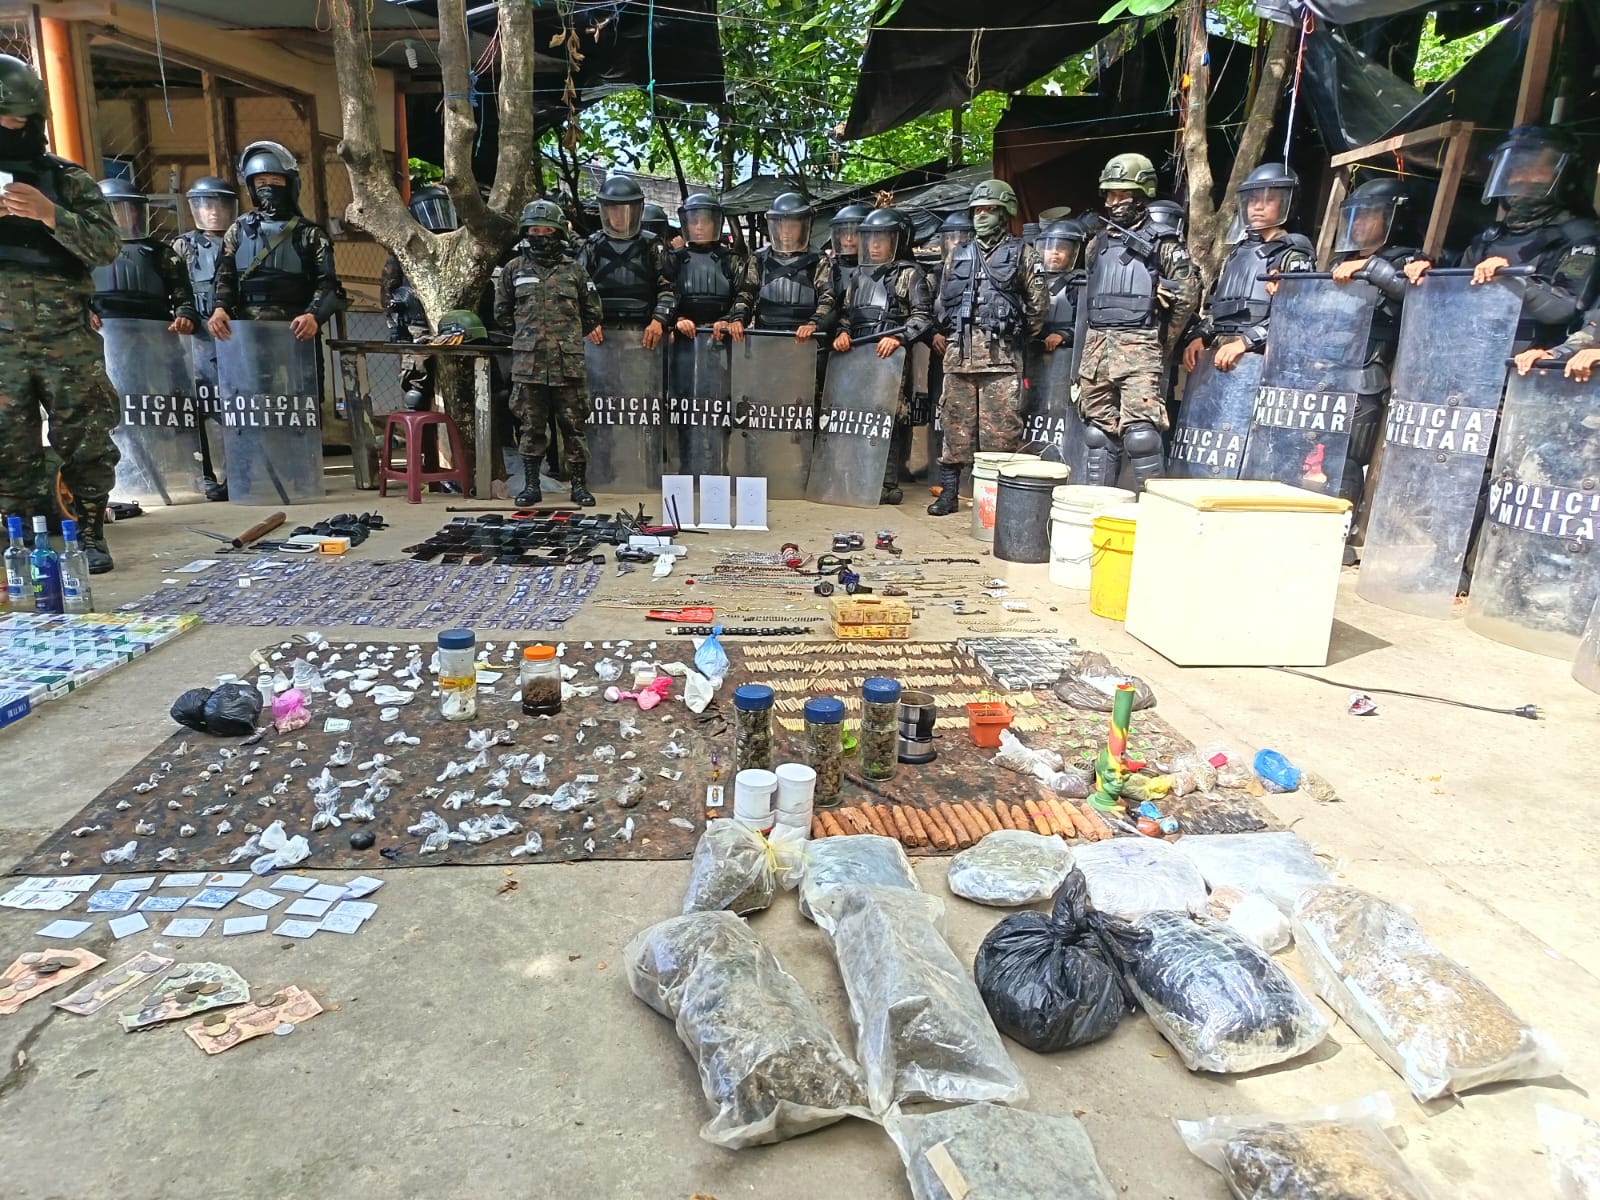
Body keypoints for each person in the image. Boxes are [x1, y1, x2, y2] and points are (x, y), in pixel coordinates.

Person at [0, 54, 121, 572]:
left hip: (65, 335)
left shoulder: (66, 180)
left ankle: (89, 533)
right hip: (2, 343)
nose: (9, 128)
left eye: (16, 119)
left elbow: (107, 246)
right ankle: (18, 539)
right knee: (8, 445)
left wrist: (51, 215)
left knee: (86, 436)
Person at [1409, 126, 1600, 351]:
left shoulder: (1581, 237)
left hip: (1534, 364)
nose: (1523, 179)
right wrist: (1427, 275)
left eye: (1537, 170)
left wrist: (1511, 279)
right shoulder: (1489, 239)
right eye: (1516, 171)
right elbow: (1454, 299)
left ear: (1566, 176)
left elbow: (1564, 308)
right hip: (1471, 357)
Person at [926, 179, 1049, 515]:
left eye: (989, 209)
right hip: (959, 358)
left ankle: (998, 503)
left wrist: (1016, 339)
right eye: (977, 210)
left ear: (1005, 212)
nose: (981, 216)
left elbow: (1038, 306)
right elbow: (943, 301)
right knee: (955, 428)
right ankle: (949, 494)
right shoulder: (958, 254)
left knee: (1001, 434)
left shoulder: (1023, 254)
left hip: (1001, 360)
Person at [1077, 153, 1198, 489]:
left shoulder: (1164, 243)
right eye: (1109, 194)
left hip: (1140, 347)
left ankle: (1153, 509)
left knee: (1141, 435)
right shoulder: (1096, 243)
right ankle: (1098, 504)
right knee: (1097, 434)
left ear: (1142, 193)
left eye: (1121, 194)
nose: (1112, 202)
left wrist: (1161, 339)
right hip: (1097, 350)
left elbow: (1187, 296)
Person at [1327, 177, 1426, 554]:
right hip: (1330, 368)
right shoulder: (1339, 261)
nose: (1360, 224)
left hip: (1370, 371)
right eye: (1356, 216)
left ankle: (1340, 536)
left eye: (1370, 216)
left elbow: (1415, 296)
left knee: (1349, 458)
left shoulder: (1409, 260)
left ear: (1394, 217)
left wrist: (1372, 268)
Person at [495, 199, 603, 508]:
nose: (540, 236)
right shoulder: (513, 270)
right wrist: (528, 336)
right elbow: (502, 313)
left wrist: (564, 337)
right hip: (528, 365)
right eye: (534, 230)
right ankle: (532, 486)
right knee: (531, 427)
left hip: (567, 364)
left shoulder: (575, 271)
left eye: (546, 230)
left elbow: (593, 314)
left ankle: (579, 486)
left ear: (558, 233)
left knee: (574, 426)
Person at [832, 206, 933, 504]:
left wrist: (898, 337)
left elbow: (922, 316)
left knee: (886, 415)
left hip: (890, 357)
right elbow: (846, 315)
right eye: (871, 239)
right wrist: (842, 333)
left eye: (882, 240)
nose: (874, 246)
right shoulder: (858, 276)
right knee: (854, 415)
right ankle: (853, 475)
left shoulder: (910, 274)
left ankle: (886, 481)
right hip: (857, 356)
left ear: (896, 241)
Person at [1182, 163, 1312, 377]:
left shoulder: (1292, 253)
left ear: (1286, 203)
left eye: (1268, 200)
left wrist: (1245, 342)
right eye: (1252, 200)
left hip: (1264, 362)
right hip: (1221, 359)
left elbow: (1295, 315)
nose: (1258, 207)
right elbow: (1220, 309)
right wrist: (1200, 336)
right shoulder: (1236, 253)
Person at [207, 140, 341, 343]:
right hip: (246, 333)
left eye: (276, 181)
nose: (268, 187)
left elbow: (327, 284)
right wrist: (219, 309)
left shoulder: (309, 234)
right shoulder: (238, 230)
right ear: (252, 187)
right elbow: (224, 278)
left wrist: (313, 316)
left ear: (289, 184)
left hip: (296, 333)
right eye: (261, 182)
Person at [172, 175, 237, 500]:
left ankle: (237, 472)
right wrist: (183, 313)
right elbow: (175, 287)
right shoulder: (183, 246)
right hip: (196, 336)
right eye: (206, 205)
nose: (213, 212)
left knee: (235, 405)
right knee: (201, 406)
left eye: (220, 205)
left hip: (235, 335)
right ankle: (204, 474)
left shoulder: (242, 239)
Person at [381, 184, 458, 409]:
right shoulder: (403, 252)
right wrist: (395, 326)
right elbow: (388, 293)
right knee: (416, 390)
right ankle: (419, 432)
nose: (437, 218)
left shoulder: (458, 249)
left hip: (454, 328)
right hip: (417, 328)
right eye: (430, 210)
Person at [579, 175, 673, 348]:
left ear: (636, 211)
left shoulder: (652, 245)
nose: (619, 216)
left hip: (644, 334)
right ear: (605, 211)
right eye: (613, 209)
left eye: (625, 210)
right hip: (599, 335)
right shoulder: (591, 245)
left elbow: (669, 288)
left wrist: (659, 319)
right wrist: (588, 320)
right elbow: (578, 289)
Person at [667, 192, 753, 343]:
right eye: (694, 222)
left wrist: (730, 320)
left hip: (722, 336)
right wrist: (677, 319)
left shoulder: (731, 259)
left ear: (716, 224)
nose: (699, 227)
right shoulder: (673, 259)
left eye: (705, 222)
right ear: (686, 224)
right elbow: (663, 293)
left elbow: (745, 294)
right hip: (682, 336)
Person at [748, 191, 834, 338]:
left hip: (805, 336)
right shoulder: (759, 258)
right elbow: (745, 293)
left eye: (793, 225)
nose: (786, 231)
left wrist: (814, 323)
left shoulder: (818, 260)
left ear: (804, 226)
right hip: (765, 334)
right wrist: (737, 319)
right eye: (781, 225)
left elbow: (827, 297)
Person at [1036, 217, 1086, 355]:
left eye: (1062, 248)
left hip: (1066, 351)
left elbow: (1087, 322)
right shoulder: (1032, 279)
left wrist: (1064, 334)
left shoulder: (1078, 283)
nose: (1054, 252)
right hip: (1034, 348)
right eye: (1049, 247)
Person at [827, 202, 871, 308]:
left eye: (854, 233)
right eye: (844, 233)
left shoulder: (878, 268)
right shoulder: (827, 267)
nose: (849, 239)